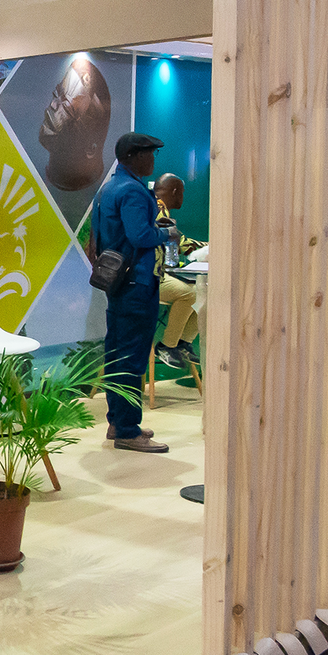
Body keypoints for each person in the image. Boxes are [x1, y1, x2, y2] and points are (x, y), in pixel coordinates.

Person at [95, 132, 181, 453]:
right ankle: (128, 431)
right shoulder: (132, 190)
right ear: (133, 156)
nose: (153, 160)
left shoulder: (109, 188)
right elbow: (140, 235)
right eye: (149, 154)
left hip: (118, 282)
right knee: (132, 359)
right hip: (137, 283)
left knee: (117, 353)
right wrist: (167, 233)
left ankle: (118, 421)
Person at [153, 173, 206, 369]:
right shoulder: (157, 209)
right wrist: (210, 246)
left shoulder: (160, 210)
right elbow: (181, 244)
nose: (183, 197)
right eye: (182, 192)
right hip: (150, 277)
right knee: (191, 293)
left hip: (158, 272)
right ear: (175, 191)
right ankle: (167, 346)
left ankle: (183, 343)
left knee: (203, 291)